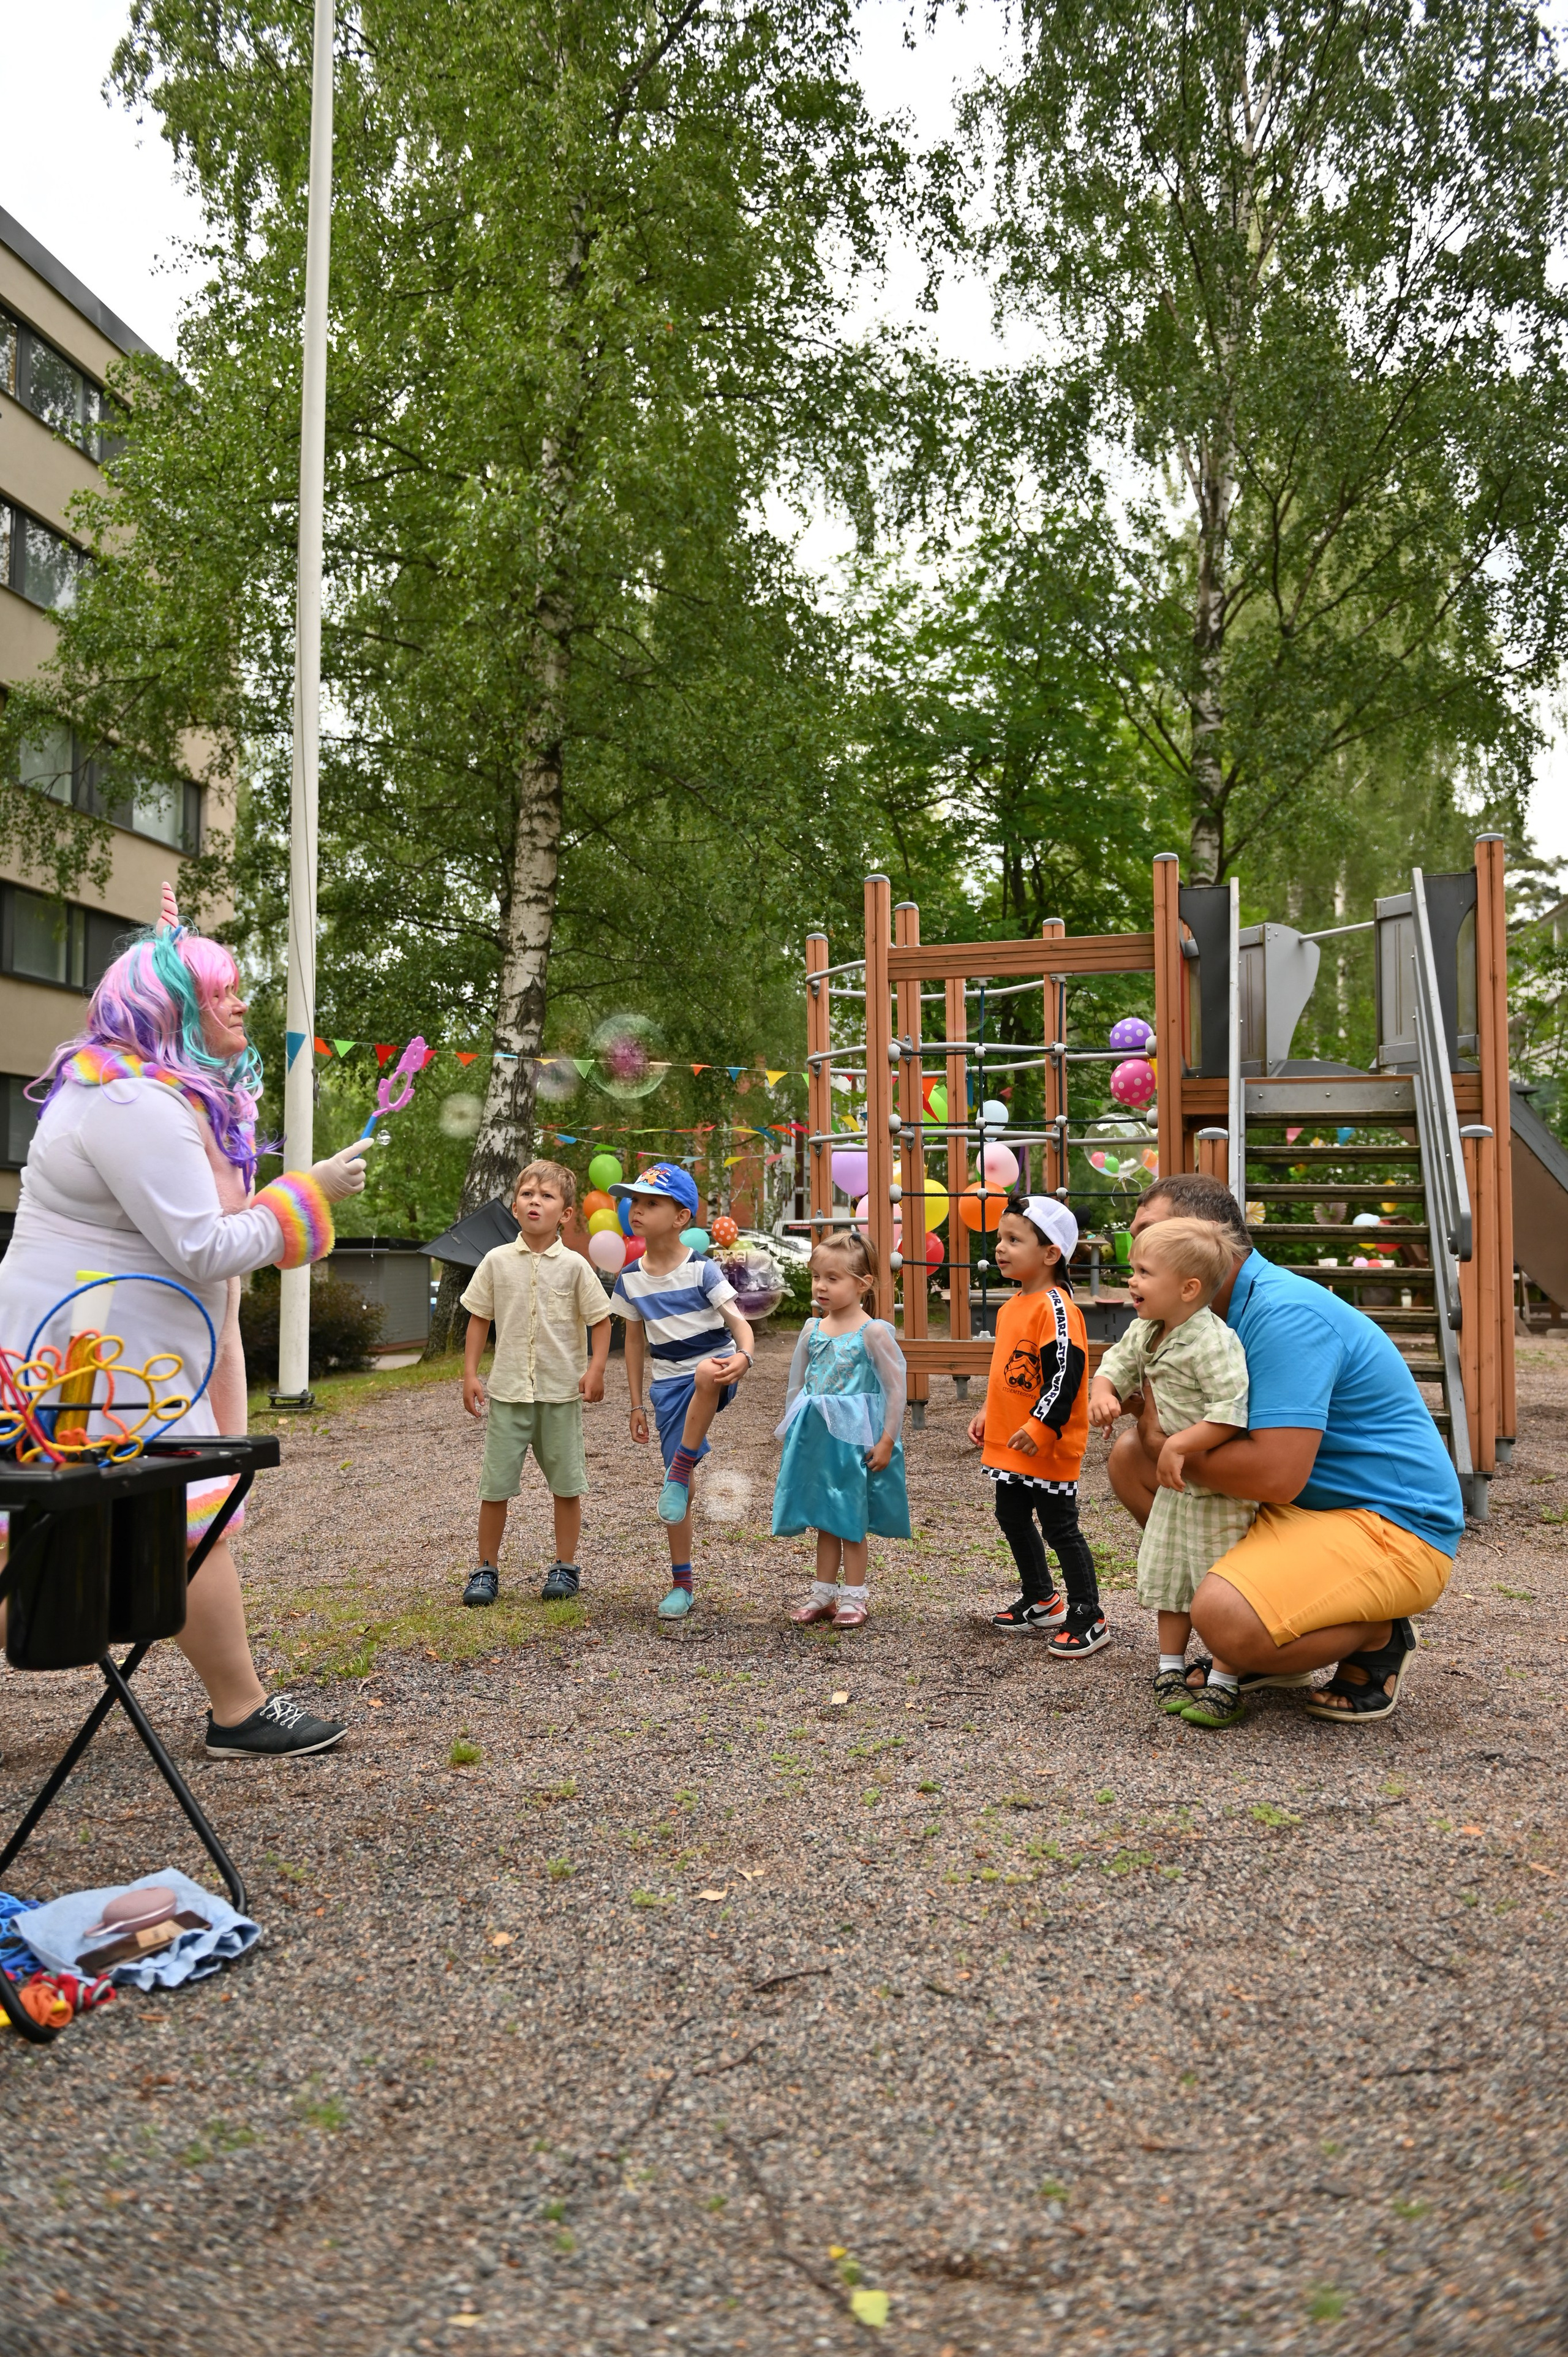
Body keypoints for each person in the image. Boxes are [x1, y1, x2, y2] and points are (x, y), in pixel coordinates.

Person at [0, 889, 368, 1757]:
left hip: (119, 1352)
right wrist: (307, 1196)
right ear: (171, 1010)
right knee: (157, 1519)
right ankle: (239, 1710)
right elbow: (204, 1246)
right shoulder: (134, 1106)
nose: (240, 1002)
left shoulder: (151, 1098)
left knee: (126, 1523)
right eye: (218, 992)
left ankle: (239, 1705)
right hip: (99, 1358)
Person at [1110, 1171, 1464, 1724]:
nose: (1136, 1256)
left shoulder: (1284, 1314)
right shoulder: (1194, 1322)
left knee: (1224, 1616)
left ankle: (1376, 1633)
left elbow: (1276, 1475)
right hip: (1307, 1508)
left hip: (1391, 1522)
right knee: (1131, 1460)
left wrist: (1162, 1434)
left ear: (1206, 1243)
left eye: (1152, 1235)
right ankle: (1273, 1630)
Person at [1089, 1217, 1255, 1723]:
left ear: (1189, 1289)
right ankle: (1169, 1665)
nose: (1132, 1282)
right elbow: (1116, 1363)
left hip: (1217, 1491)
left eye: (1144, 1272)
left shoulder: (1213, 1342)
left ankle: (1226, 1677)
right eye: (1132, 1270)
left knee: (1216, 1578)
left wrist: (1179, 1442)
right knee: (1171, 1574)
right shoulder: (1148, 1329)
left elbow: (1232, 1409)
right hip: (1178, 1488)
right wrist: (1104, 1394)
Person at [458, 1160, 613, 1607]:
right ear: (515, 1205)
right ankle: (486, 1569)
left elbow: (601, 1321)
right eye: (527, 1194)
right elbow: (478, 1319)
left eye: (546, 1196)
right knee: (496, 1486)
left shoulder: (576, 1267)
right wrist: (471, 1374)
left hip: (560, 1394)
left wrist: (597, 1368)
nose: (535, 1202)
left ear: (565, 1213)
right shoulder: (496, 1262)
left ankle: (565, 1566)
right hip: (508, 1393)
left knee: (566, 1485)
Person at [609, 1164, 755, 1621]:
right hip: (668, 1386)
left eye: (652, 1202)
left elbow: (739, 1323)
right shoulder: (629, 1278)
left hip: (716, 1367)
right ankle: (682, 1583)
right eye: (635, 1201)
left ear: (680, 1217)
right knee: (681, 1493)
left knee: (706, 1375)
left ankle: (681, 1466)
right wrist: (636, 1402)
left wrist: (745, 1358)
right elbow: (634, 1342)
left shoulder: (702, 1270)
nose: (637, 1210)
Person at [967, 1196, 1107, 1657]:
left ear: (1051, 1254)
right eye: (1000, 1239)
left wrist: (1042, 1426)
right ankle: (1042, 1597)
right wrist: (990, 1413)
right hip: (1012, 1445)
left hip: (1047, 1444)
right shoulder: (1013, 1307)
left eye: (1014, 1240)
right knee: (1010, 1515)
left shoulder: (1057, 1307)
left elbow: (1068, 1374)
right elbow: (1006, 1371)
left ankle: (1089, 1613)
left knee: (1060, 1528)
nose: (1001, 1248)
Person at [774, 1231, 909, 1629]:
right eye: (817, 1277)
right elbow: (797, 1385)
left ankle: (854, 1596)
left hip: (853, 1442)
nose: (820, 1286)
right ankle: (823, 1593)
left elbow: (895, 1387)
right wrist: (790, 1431)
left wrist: (888, 1439)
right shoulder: (812, 1330)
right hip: (817, 1440)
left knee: (849, 1516)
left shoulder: (873, 1332)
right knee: (823, 1515)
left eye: (833, 1278)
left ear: (863, 1284)